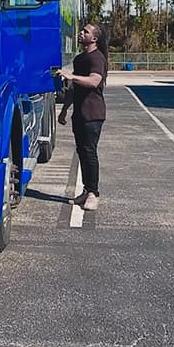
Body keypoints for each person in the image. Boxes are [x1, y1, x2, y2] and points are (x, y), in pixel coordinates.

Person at [58, 24, 108, 211]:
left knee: (89, 153)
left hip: (93, 114)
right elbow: (73, 90)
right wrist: (64, 111)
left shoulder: (97, 58)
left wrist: (71, 76)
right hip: (79, 113)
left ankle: (94, 194)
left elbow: (94, 81)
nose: (81, 33)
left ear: (94, 39)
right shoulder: (80, 59)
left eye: (86, 32)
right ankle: (87, 191)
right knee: (82, 152)